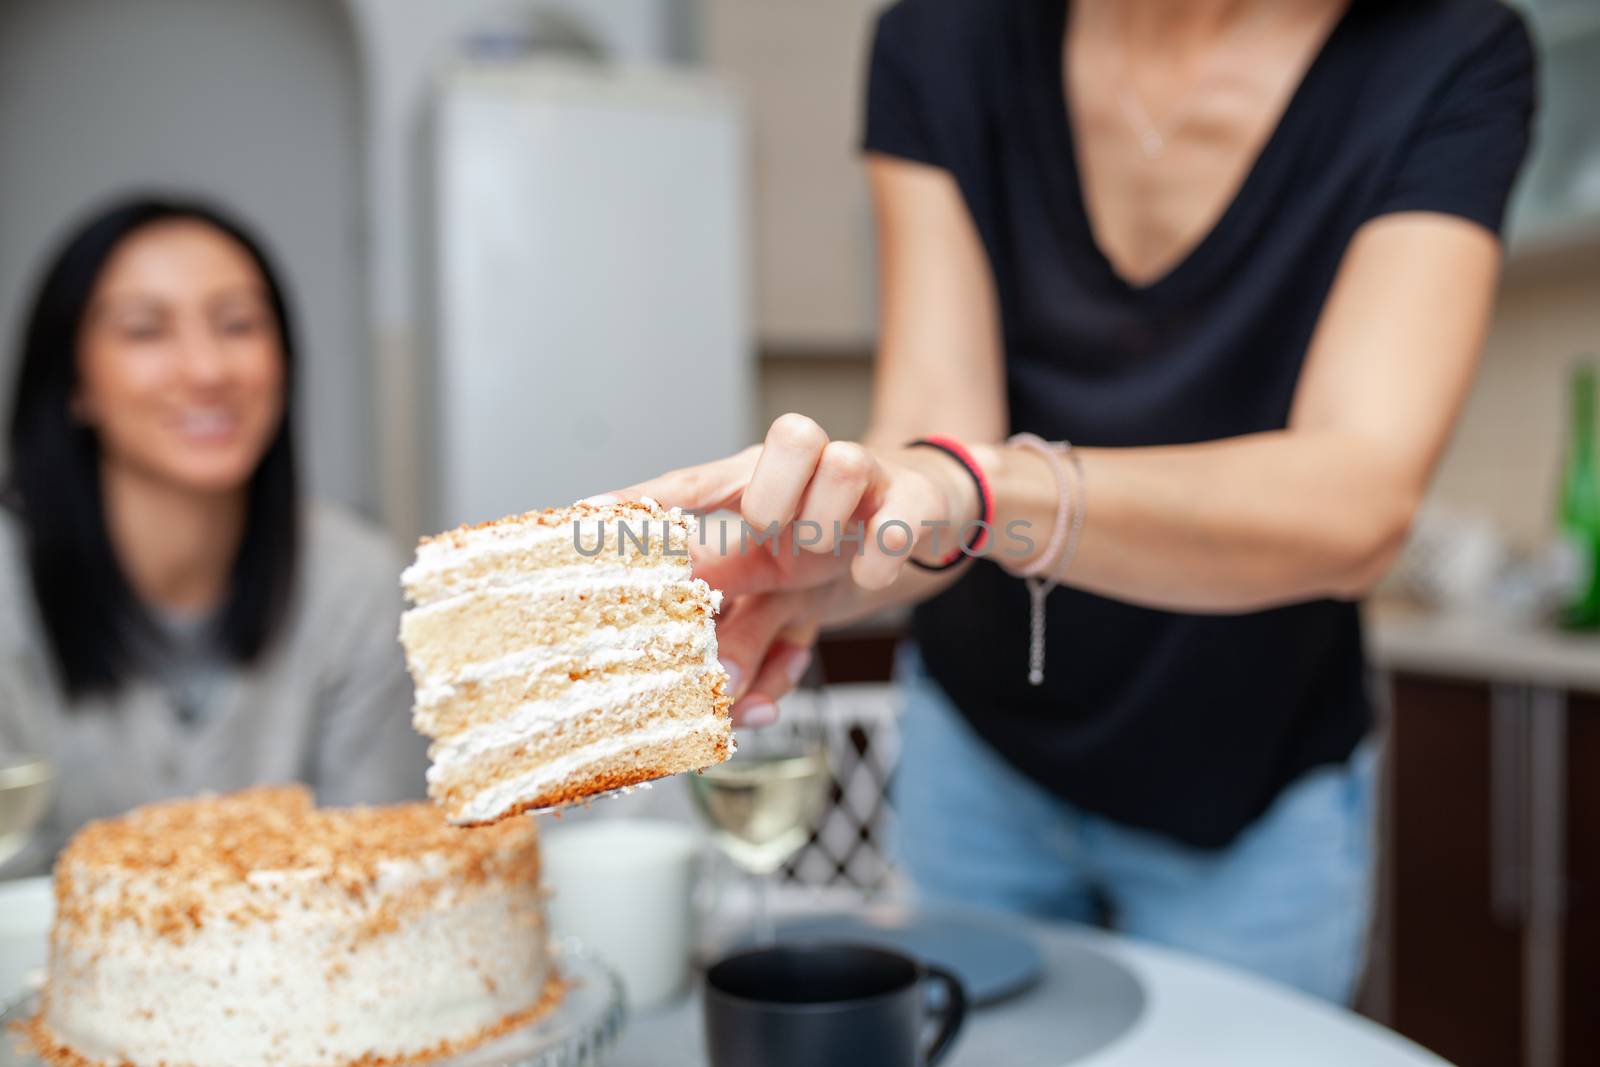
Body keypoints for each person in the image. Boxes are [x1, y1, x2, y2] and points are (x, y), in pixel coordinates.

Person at [618, 0, 1535, 1002]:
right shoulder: (945, 38)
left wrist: (979, 489)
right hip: (980, 757)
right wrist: (861, 532)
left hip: (1250, 783)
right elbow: (933, 424)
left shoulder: (1447, 53)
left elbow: (1356, 505)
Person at [0, 197, 426, 874]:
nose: (206, 370)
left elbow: (377, 867)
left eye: (238, 324)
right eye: (145, 330)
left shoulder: (356, 581)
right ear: (73, 382)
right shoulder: (10, 595)